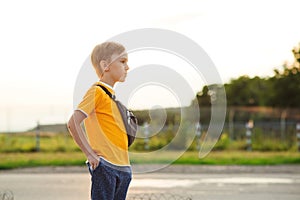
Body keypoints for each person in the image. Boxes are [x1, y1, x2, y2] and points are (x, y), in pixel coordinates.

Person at [67, 42, 131, 200]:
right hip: (107, 167)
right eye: (122, 62)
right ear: (105, 65)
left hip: (123, 168)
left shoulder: (112, 97)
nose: (127, 67)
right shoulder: (97, 91)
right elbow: (73, 122)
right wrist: (90, 154)